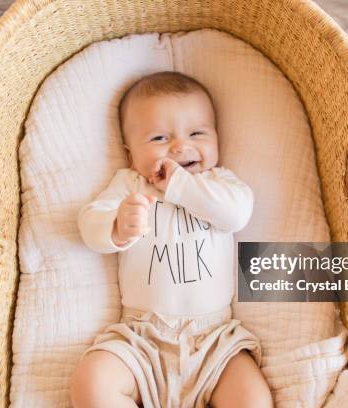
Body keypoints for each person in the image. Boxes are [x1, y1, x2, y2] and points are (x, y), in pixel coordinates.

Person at [70, 71, 273, 408]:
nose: (180, 146)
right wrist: (117, 226)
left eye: (197, 133)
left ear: (217, 137)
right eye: (160, 138)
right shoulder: (130, 185)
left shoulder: (219, 184)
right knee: (92, 381)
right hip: (140, 337)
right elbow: (89, 223)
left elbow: (236, 215)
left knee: (253, 399)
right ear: (130, 152)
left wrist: (180, 185)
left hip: (214, 341)